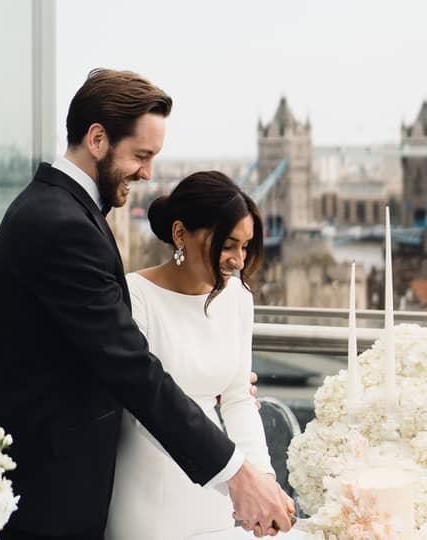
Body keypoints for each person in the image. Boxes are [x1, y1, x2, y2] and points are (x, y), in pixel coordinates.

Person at [0, 68, 294, 539]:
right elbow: (130, 365)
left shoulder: (60, 210)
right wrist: (237, 472)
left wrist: (213, 384)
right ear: (96, 138)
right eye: (141, 155)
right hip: (55, 484)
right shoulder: (62, 224)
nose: (149, 172)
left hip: (64, 472)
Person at [107, 171, 292, 540]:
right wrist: (237, 476)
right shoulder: (134, 296)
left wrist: (262, 479)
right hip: (150, 495)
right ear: (180, 235)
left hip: (219, 488)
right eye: (227, 245)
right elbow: (146, 408)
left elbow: (238, 399)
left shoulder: (238, 296)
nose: (238, 261)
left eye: (246, 246)